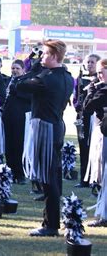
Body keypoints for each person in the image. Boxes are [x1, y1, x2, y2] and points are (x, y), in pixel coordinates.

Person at [18, 39, 73, 237]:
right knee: (53, 176)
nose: (42, 57)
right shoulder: (67, 76)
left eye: (45, 54)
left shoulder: (47, 78)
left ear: (54, 56)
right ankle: (51, 222)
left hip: (45, 128)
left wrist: (34, 68)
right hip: (56, 125)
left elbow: (20, 86)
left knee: (48, 178)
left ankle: (50, 224)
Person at [84, 58, 107, 227]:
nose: (99, 76)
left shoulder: (102, 91)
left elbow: (87, 106)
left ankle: (104, 216)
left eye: (101, 72)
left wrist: (91, 91)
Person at [74, 54, 101, 188]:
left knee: (94, 148)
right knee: (83, 147)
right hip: (82, 117)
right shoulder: (80, 79)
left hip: (94, 117)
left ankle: (94, 179)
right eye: (88, 62)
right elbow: (75, 97)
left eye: (92, 62)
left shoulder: (100, 79)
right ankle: (83, 179)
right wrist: (77, 105)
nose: (89, 64)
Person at [2, 60, 30, 184]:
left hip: (20, 117)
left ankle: (20, 174)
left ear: (23, 70)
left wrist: (16, 91)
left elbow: (28, 98)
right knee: (9, 145)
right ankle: (10, 171)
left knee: (18, 145)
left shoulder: (26, 82)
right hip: (8, 116)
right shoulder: (9, 81)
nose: (14, 70)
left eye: (17, 68)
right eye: (13, 68)